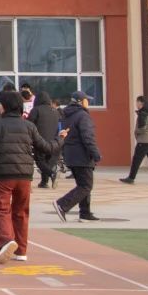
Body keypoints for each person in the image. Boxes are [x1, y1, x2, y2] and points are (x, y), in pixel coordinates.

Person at [0, 89, 55, 263]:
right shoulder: (29, 126)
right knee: (21, 212)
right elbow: (46, 147)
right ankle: (21, 251)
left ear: (4, 106)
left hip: (3, 174)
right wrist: (60, 139)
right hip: (24, 174)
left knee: (0, 209)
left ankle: (7, 240)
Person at [53, 91, 101, 222]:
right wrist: (95, 154)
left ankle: (85, 213)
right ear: (81, 102)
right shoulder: (83, 116)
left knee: (82, 184)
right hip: (82, 155)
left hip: (70, 154)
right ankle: (62, 204)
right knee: (86, 186)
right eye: (86, 100)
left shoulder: (65, 115)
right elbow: (88, 137)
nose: (88, 102)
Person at [27, 91, 60, 187]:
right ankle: (44, 182)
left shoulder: (36, 110)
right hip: (53, 141)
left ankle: (52, 174)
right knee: (47, 161)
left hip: (40, 139)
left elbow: (29, 124)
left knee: (39, 160)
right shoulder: (55, 111)